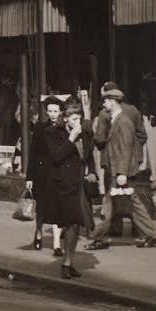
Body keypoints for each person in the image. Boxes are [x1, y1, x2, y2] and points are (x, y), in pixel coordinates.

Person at [85, 86, 156, 250]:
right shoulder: (117, 119)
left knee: (110, 205)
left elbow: (125, 148)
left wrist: (122, 173)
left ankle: (100, 238)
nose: (104, 105)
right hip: (118, 171)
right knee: (132, 205)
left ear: (112, 102)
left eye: (105, 101)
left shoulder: (123, 122)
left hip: (120, 172)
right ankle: (151, 234)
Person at [43, 99, 93, 278]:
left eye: (79, 119)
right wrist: (72, 138)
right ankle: (66, 263)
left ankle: (69, 261)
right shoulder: (52, 133)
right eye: (73, 119)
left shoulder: (84, 132)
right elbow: (56, 156)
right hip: (63, 183)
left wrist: (91, 170)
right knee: (70, 221)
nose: (77, 123)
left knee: (77, 223)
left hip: (78, 182)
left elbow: (88, 154)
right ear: (64, 119)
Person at [27, 98, 64, 255]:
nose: (53, 114)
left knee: (59, 209)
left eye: (56, 111)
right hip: (42, 173)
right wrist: (29, 177)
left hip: (59, 172)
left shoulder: (64, 129)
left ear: (61, 112)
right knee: (41, 207)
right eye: (50, 111)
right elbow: (33, 153)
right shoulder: (40, 128)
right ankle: (38, 233)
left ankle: (56, 244)